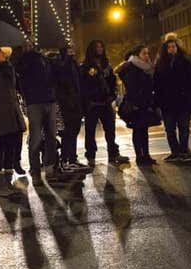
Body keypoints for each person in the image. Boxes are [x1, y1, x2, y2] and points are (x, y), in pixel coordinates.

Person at [13, 42, 67, 186]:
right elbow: (20, 73)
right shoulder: (24, 60)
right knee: (35, 139)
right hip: (34, 102)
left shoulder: (44, 59)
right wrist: (27, 54)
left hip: (49, 100)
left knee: (51, 136)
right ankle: (35, 171)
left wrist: (63, 53)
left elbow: (59, 72)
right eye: (28, 44)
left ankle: (49, 168)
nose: (31, 46)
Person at [0, 47, 26, 197]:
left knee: (10, 150)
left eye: (4, 54)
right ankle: (0, 186)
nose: (3, 56)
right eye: (0, 54)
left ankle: (8, 182)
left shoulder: (9, 68)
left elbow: (14, 90)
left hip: (11, 114)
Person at [80, 40, 128, 166]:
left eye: (101, 46)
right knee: (90, 132)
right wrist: (88, 100)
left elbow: (112, 81)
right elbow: (84, 86)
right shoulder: (86, 66)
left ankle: (113, 153)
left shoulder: (107, 64)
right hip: (93, 103)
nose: (100, 49)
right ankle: (91, 156)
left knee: (110, 130)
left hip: (106, 102)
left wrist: (112, 95)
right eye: (97, 47)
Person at [153, 36, 191, 162]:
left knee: (184, 128)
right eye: (169, 47)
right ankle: (175, 151)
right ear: (165, 49)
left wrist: (188, 93)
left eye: (174, 46)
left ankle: (183, 151)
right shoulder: (160, 64)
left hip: (182, 100)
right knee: (170, 129)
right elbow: (156, 83)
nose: (172, 49)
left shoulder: (185, 61)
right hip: (167, 102)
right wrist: (158, 100)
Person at [50, 41, 91, 172]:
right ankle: (66, 159)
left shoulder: (72, 62)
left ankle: (71, 159)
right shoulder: (59, 62)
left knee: (73, 131)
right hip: (65, 103)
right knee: (67, 132)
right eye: (69, 47)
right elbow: (62, 75)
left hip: (74, 102)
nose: (72, 49)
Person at [116, 45, 161, 166]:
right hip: (136, 104)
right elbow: (132, 87)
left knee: (144, 130)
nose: (147, 56)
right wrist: (136, 103)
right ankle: (139, 157)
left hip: (145, 103)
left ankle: (146, 155)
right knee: (137, 130)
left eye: (147, 53)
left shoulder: (146, 67)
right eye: (144, 53)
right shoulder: (132, 67)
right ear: (137, 55)